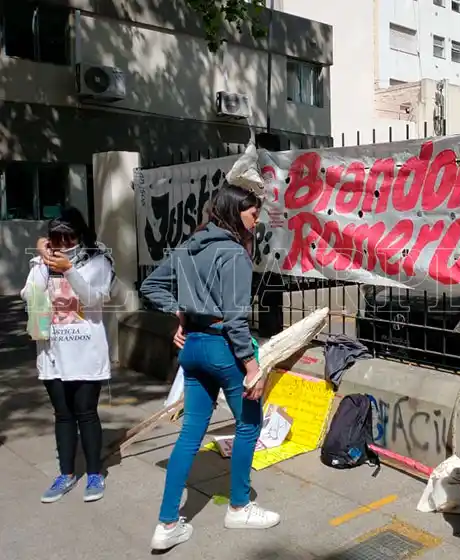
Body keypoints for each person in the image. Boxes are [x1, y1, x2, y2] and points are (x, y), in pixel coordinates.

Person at [141, 184, 278, 551]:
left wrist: (181, 314)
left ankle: (167, 522)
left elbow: (151, 286)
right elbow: (235, 321)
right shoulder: (232, 253)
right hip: (222, 349)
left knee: (190, 434)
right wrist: (252, 366)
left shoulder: (190, 246)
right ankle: (239, 505)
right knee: (250, 424)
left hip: (194, 349)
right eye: (252, 213)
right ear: (235, 212)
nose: (256, 220)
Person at [20, 207, 115, 503]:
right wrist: (44, 263)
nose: (62, 244)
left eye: (68, 236)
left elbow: (94, 298)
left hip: (86, 352)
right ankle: (66, 474)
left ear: (80, 235)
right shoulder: (41, 263)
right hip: (52, 352)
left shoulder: (98, 262)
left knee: (86, 413)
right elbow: (29, 295)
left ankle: (96, 473)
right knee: (62, 415)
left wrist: (69, 270)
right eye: (56, 238)